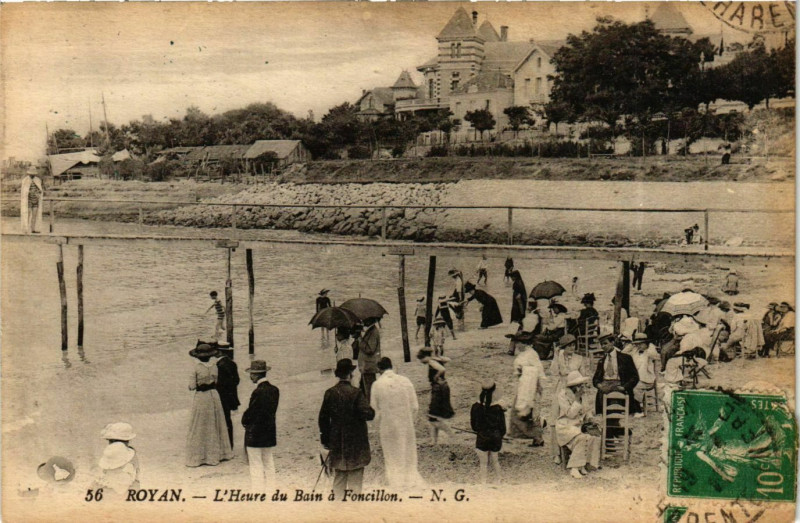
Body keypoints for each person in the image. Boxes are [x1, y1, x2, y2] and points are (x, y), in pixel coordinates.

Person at [318, 359, 375, 499]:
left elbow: (323, 419)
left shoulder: (330, 393)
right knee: (356, 479)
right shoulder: (356, 393)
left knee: (339, 477)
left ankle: (338, 511)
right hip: (356, 441)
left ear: (338, 375)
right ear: (350, 374)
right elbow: (369, 414)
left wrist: (326, 440)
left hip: (337, 441)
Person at [370, 357, 423, 488]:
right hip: (406, 424)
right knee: (408, 452)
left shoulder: (377, 385)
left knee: (391, 454)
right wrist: (411, 420)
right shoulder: (406, 381)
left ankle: (395, 482)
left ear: (379, 370)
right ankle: (410, 480)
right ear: (392, 366)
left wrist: (377, 426)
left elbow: (374, 410)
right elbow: (415, 407)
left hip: (388, 425)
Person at [186, 344, 233, 467]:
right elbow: (216, 382)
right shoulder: (214, 367)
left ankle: (201, 456)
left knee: (200, 423)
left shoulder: (196, 368)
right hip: (213, 395)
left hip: (202, 396)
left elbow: (192, 386)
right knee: (215, 422)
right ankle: (219, 454)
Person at [241, 360, 279, 492]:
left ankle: (258, 491)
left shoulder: (257, 392)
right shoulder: (275, 390)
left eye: (252, 374)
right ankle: (271, 488)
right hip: (268, 431)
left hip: (255, 433)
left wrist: (244, 421)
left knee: (256, 464)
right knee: (269, 461)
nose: (250, 376)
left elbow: (251, 413)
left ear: (256, 375)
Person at [556, 371, 601, 479]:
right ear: (573, 386)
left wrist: (591, 419)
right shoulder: (563, 395)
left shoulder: (583, 395)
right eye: (580, 385)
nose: (582, 387)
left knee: (594, 436)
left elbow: (587, 410)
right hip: (565, 426)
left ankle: (584, 464)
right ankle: (574, 468)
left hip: (578, 425)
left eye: (582, 385)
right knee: (581, 438)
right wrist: (576, 400)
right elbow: (570, 414)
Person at [549, 334, 586, 463]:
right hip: (561, 387)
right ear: (563, 347)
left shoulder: (579, 358)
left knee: (575, 416)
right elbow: (553, 372)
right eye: (568, 345)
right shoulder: (559, 357)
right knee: (555, 419)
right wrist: (556, 355)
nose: (572, 347)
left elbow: (584, 375)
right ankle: (556, 453)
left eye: (573, 345)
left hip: (575, 388)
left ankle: (574, 448)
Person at [470, 381, 507, 484]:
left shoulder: (475, 407)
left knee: (483, 463)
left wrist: (481, 430)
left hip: (482, 436)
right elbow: (503, 428)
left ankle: (483, 482)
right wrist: (500, 435)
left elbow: (474, 426)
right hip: (495, 437)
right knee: (495, 461)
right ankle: (499, 479)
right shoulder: (498, 408)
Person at [592, 335, 639, 415]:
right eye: (601, 344)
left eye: (605, 343)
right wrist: (599, 385)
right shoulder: (602, 361)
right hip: (605, 386)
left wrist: (624, 387)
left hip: (619, 385)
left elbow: (635, 377)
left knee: (615, 406)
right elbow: (595, 379)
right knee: (604, 404)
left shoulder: (625, 358)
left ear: (612, 342)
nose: (603, 346)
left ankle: (616, 418)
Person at [417, 349, 455, 445]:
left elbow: (442, 369)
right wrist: (438, 358)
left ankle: (451, 434)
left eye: (421, 359)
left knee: (433, 416)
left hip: (439, 389)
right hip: (443, 387)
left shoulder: (431, 362)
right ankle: (434, 441)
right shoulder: (435, 359)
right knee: (434, 416)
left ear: (425, 357)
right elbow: (448, 360)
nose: (421, 362)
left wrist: (436, 376)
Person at [511, 344, 545, 446]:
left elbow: (538, 372)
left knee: (531, 413)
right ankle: (535, 437)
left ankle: (537, 437)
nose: (518, 345)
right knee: (523, 412)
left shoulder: (531, 354)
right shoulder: (522, 355)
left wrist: (538, 386)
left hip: (531, 387)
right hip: (525, 386)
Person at [95, 422, 140, 495]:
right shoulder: (131, 455)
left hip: (107, 488)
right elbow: (136, 476)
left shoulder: (108, 453)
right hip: (125, 489)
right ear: (128, 440)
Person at [215, 342, 240, 449]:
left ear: (219, 352)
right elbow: (237, 380)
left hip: (222, 396)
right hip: (230, 396)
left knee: (222, 420)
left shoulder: (219, 365)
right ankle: (230, 444)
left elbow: (219, 383)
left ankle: (225, 445)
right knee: (228, 420)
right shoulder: (232, 363)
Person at [630, 334, 659, 417]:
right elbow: (624, 353)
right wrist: (632, 345)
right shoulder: (635, 352)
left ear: (646, 343)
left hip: (647, 379)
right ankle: (631, 408)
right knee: (628, 385)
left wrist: (650, 345)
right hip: (636, 378)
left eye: (641, 344)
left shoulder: (650, 352)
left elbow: (655, 355)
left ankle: (639, 411)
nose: (638, 346)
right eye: (637, 344)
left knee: (635, 387)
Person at [353, 317, 381, 403]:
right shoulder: (371, 331)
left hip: (369, 366)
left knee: (369, 391)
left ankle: (371, 409)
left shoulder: (373, 332)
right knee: (364, 389)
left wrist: (360, 339)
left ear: (370, 320)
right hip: (366, 366)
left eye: (365, 319)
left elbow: (370, 349)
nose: (363, 321)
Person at [20, 167, 43, 234]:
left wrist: (38, 193)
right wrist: (29, 192)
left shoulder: (38, 180)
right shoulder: (25, 180)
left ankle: (33, 229)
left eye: (33, 174)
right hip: (28, 201)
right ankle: (26, 229)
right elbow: (24, 191)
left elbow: (40, 190)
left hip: (36, 200)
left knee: (34, 215)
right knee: (27, 214)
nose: (32, 175)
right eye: (31, 174)